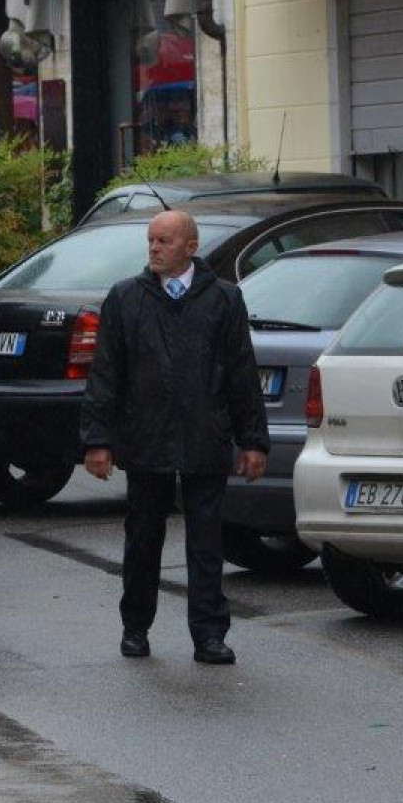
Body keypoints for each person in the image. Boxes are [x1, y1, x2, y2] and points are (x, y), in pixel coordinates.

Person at [78, 209, 269, 666]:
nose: (154, 249)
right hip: (146, 438)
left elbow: (242, 373)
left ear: (190, 247)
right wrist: (97, 440)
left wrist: (253, 441)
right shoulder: (126, 298)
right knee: (143, 537)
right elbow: (105, 374)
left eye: (164, 241)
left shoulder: (223, 300)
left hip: (206, 435)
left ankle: (208, 634)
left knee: (206, 542)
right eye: (151, 241)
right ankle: (135, 626)